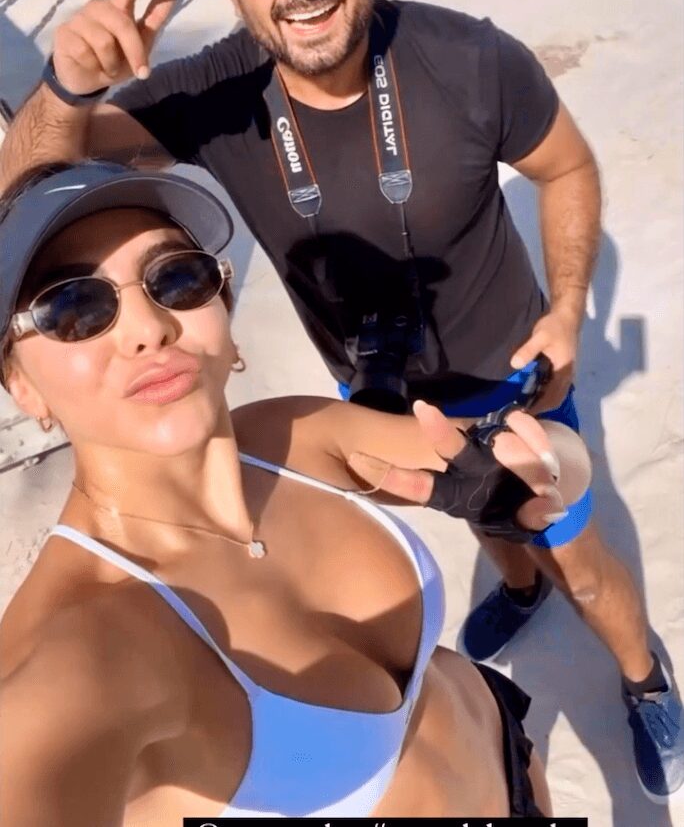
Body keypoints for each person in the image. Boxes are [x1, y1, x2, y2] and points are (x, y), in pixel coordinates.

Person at [0, 0, 681, 801]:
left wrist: (568, 310)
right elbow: (33, 202)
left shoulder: (471, 60)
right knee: (489, 525)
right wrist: (67, 83)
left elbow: (565, 167)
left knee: (582, 558)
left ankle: (646, 680)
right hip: (379, 401)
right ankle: (517, 586)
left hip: (517, 381)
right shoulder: (215, 96)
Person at [0, 159, 589, 820]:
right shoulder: (83, 648)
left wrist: (534, 468)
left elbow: (555, 458)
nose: (149, 328)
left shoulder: (290, 437)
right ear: (22, 386)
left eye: (176, 278)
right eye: (73, 308)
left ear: (224, 312)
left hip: (508, 754)